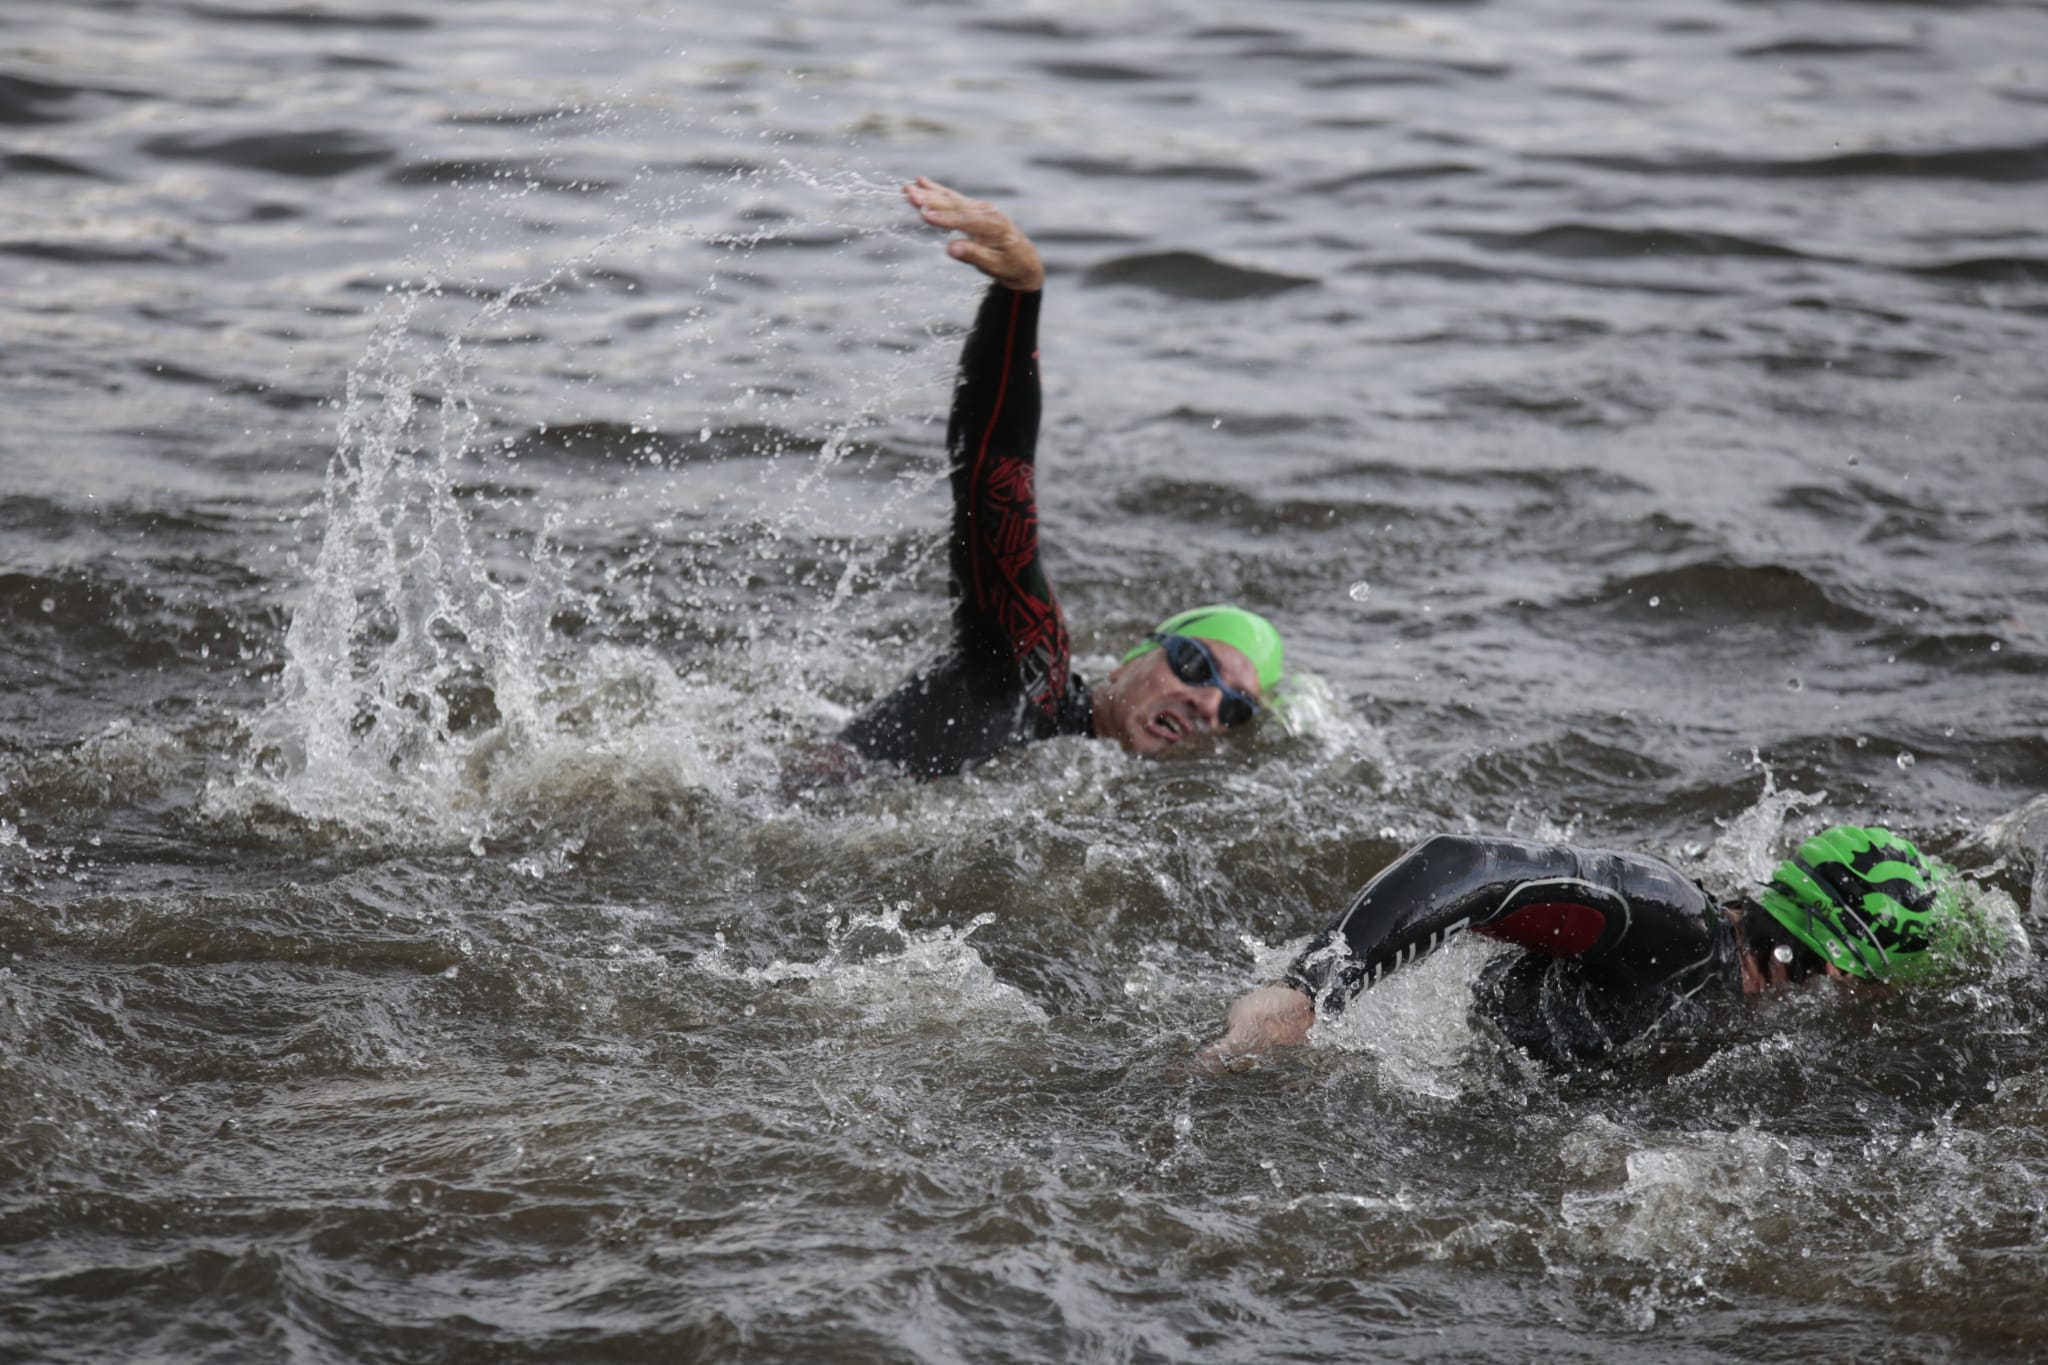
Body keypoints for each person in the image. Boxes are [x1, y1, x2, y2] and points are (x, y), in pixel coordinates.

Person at [821, 179, 1285, 781]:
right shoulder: (1027, 675)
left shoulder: (1120, 799)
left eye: (1237, 709)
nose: (1207, 703)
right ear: (1128, 662)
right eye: (1195, 666)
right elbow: (994, 480)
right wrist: (1019, 295)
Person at [1205, 824, 1986, 1068]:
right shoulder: (1678, 929)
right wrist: (1309, 991)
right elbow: (1469, 864)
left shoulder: (1739, 997)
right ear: (1849, 969)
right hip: (1437, 1081)